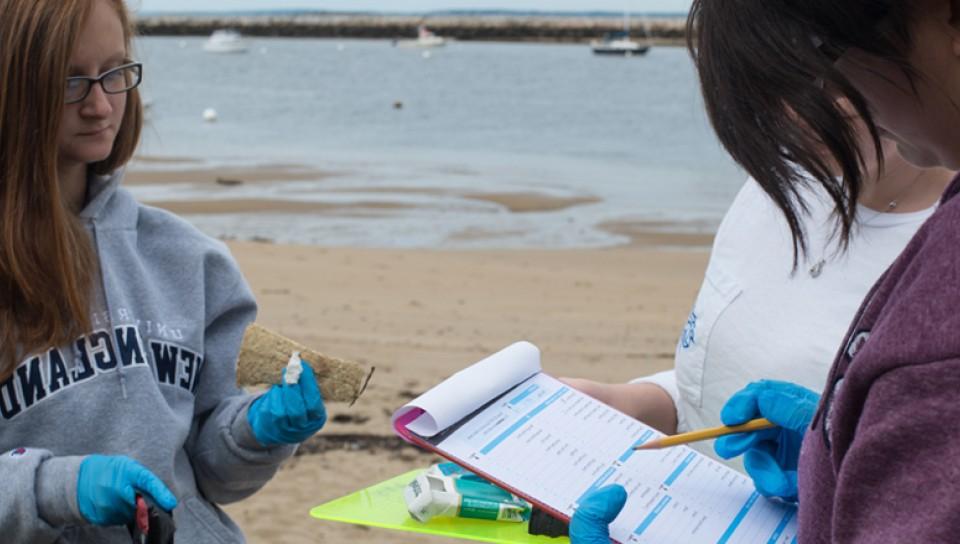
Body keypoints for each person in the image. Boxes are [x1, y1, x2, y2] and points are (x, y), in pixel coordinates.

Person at [571, 0, 960, 541]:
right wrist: (625, 403)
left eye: (822, 69)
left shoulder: (941, 273)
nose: (792, 118)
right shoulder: (781, 189)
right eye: (765, 93)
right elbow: (708, 380)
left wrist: (835, 459)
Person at [0, 1, 326, 542]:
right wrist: (56, 488)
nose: (101, 105)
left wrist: (255, 430)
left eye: (115, 73)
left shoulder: (189, 258)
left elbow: (215, 475)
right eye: (70, 81)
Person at [563, 133, 952, 443]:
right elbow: (708, 390)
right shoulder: (779, 180)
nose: (789, 111)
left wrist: (827, 474)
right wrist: (623, 403)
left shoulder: (939, 253)